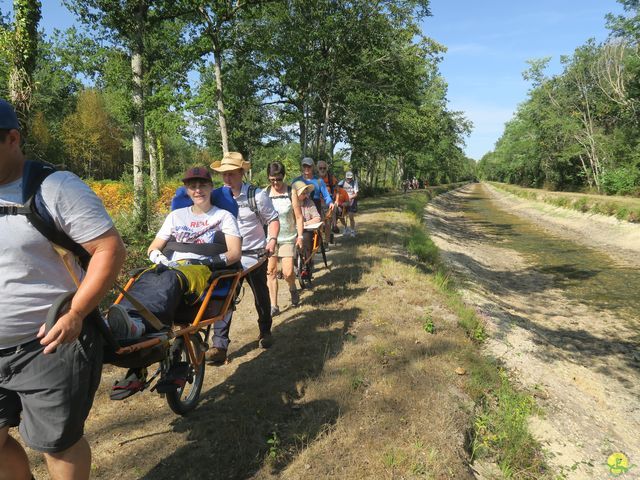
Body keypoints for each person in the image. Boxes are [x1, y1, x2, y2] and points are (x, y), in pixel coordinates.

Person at [0, 99, 126, 480]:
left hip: (48, 343)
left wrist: (76, 313)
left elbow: (109, 248)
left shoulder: (54, 188)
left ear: (12, 138)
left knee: (58, 443)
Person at [209, 152, 280, 363]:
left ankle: (265, 331)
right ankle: (219, 345)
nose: (227, 179)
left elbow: (273, 219)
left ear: (242, 172)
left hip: (255, 254)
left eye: (231, 174)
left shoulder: (257, 196)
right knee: (224, 297)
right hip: (229, 256)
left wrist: (272, 240)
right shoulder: (216, 197)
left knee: (260, 295)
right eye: (224, 174)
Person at [266, 161, 304, 315]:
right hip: (270, 238)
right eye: (272, 180)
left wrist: (300, 236)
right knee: (271, 271)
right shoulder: (265, 194)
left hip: (288, 237)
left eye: (278, 179)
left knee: (288, 272)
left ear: (284, 176)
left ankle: (292, 287)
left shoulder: (290, 192)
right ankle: (274, 306)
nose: (276, 183)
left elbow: (299, 217)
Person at [291, 180, 321, 280]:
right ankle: (295, 265)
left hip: (307, 230)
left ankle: (307, 265)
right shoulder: (289, 204)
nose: (305, 195)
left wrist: (305, 224)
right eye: (302, 193)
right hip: (292, 230)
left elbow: (317, 217)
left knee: (306, 239)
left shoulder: (309, 202)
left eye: (306, 193)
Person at [317, 160, 338, 246]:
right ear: (317, 169)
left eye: (324, 168)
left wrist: (336, 201)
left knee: (327, 223)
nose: (322, 169)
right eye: (320, 168)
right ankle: (319, 242)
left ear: (327, 168)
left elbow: (337, 191)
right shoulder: (315, 178)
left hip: (328, 203)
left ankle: (326, 242)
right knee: (320, 223)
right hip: (317, 203)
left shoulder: (331, 179)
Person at [338, 171, 359, 237]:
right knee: (340, 216)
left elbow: (356, 194)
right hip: (343, 201)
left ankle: (352, 231)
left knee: (350, 216)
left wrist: (350, 197)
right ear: (345, 177)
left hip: (351, 201)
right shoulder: (341, 182)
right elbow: (337, 190)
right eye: (348, 178)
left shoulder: (355, 183)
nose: (349, 179)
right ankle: (346, 228)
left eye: (350, 178)